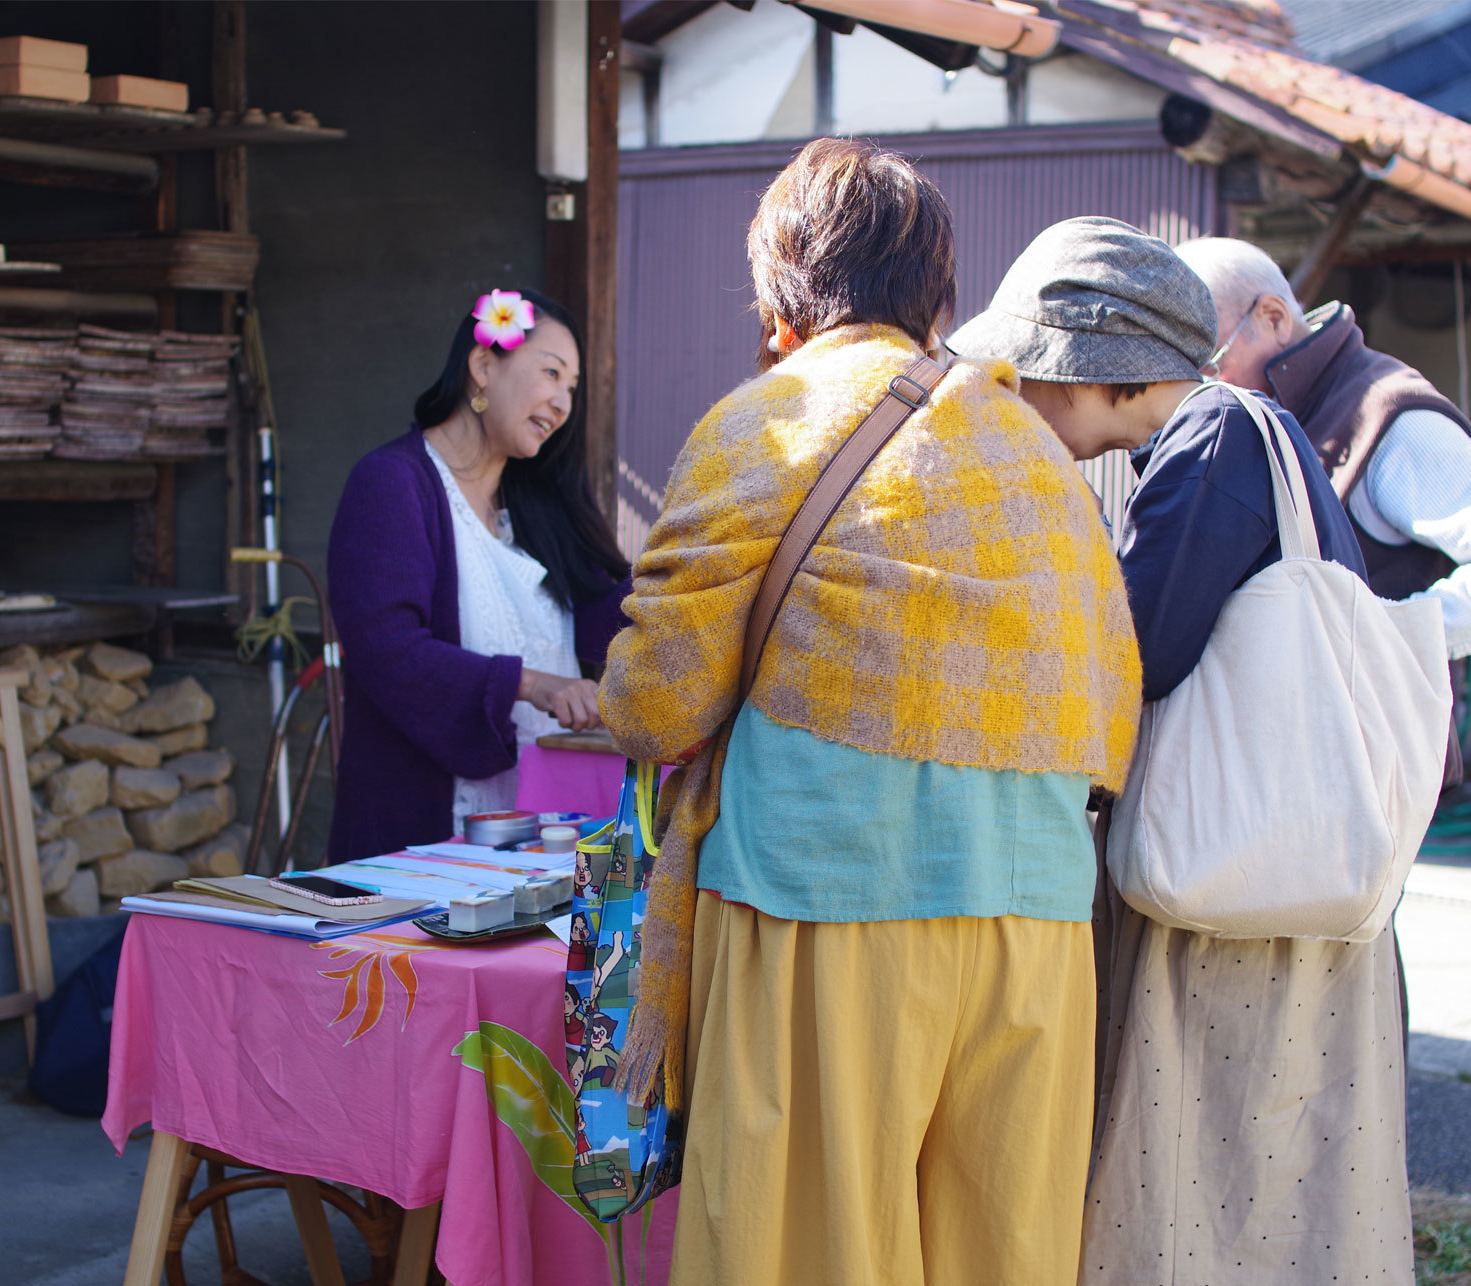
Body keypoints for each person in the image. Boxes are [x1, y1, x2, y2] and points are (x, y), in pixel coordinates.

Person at [599, 141, 1142, 1286]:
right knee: (1005, 1254)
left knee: (805, 1252)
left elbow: (650, 703)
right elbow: (1110, 708)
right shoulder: (1038, 458)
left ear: (783, 283)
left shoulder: (771, 416)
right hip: (1036, 923)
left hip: (824, 902)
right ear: (938, 289)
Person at [951, 215, 1414, 1282]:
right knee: (1281, 1183)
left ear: (1098, 366)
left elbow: (1138, 656)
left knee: (1203, 1182)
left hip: (1231, 896)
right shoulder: (1262, 437)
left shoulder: (1213, 438)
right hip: (1297, 873)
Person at [325, 289, 630, 862]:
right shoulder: (393, 483)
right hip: (423, 838)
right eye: (551, 373)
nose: (564, 402)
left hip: (543, 829)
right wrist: (533, 684)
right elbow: (388, 651)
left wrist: (688, 567)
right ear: (483, 365)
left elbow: (603, 621)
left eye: (572, 387)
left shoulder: (540, 506)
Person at [1173, 237, 1471, 652]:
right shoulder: (1266, 417)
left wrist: (1379, 641)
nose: (1200, 390)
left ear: (1273, 317)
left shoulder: (1386, 416)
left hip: (1366, 714)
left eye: (1210, 365)